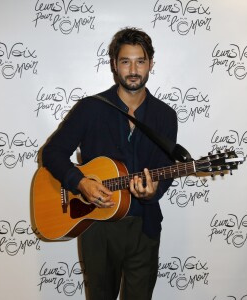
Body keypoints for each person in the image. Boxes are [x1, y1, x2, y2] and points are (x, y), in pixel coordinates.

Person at [42, 27, 178, 300]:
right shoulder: (91, 108)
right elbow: (52, 153)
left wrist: (154, 192)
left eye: (140, 61)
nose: (133, 69)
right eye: (125, 61)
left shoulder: (165, 116)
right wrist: (79, 182)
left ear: (151, 63)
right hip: (97, 225)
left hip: (145, 226)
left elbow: (165, 171)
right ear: (114, 65)